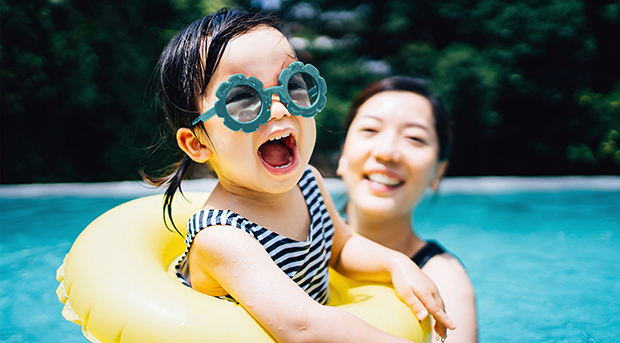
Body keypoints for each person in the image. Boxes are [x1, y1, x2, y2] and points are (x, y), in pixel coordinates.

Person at [143, 8, 456, 343]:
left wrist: (397, 264)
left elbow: (341, 247)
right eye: (243, 98)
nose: (280, 108)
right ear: (197, 143)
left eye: (292, 84)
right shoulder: (222, 237)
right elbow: (303, 326)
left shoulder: (308, 183)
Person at [337, 76, 478, 342]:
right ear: (343, 155)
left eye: (414, 138)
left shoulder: (445, 281)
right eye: (370, 130)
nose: (387, 152)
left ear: (438, 172)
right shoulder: (295, 241)